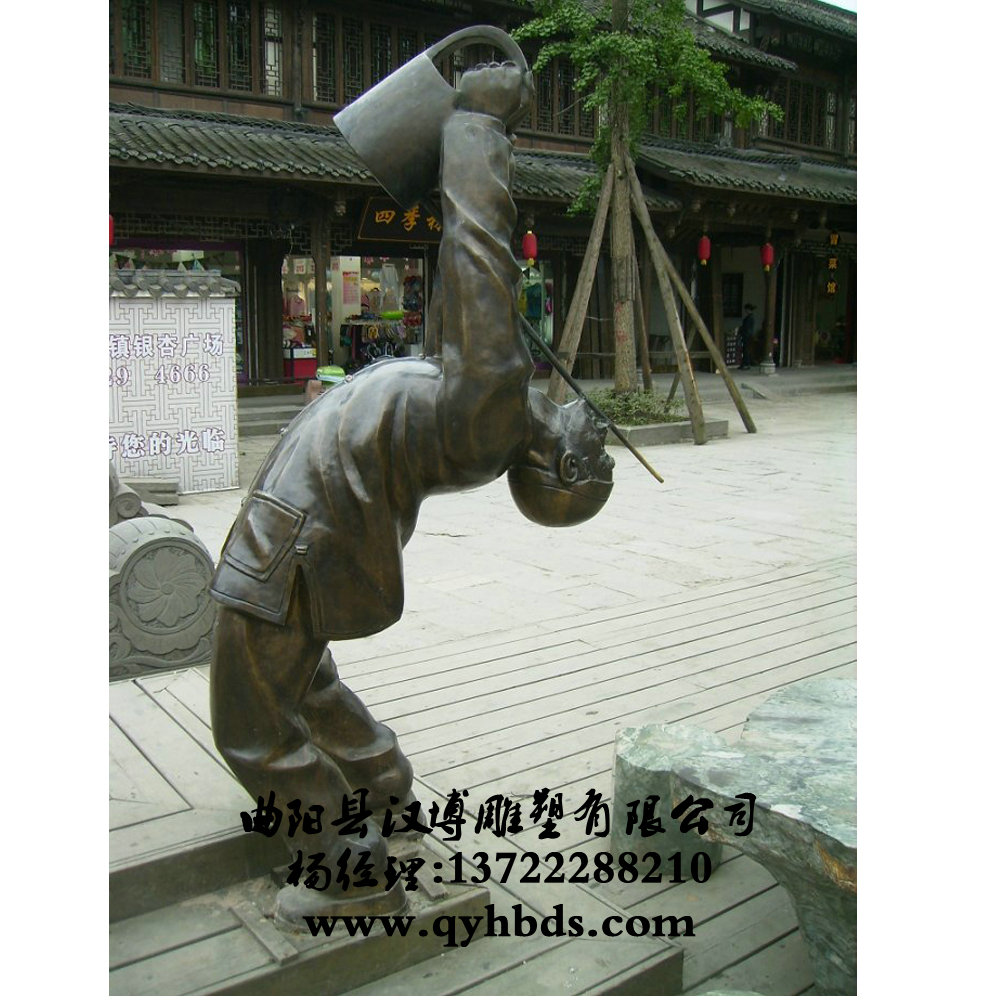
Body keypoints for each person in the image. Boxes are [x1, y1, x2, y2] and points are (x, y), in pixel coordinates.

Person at [209, 61, 614, 929]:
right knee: (303, 685)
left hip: (300, 535)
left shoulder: (491, 413)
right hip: (307, 524)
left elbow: (479, 255)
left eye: (597, 453)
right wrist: (460, 142)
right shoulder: (490, 403)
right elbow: (469, 280)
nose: (598, 428)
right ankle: (385, 796)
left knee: (251, 723)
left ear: (562, 468)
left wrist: (477, 126)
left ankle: (343, 864)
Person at [737, 303, 756, 369]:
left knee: (746, 350)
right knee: (746, 349)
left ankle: (746, 364)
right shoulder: (751, 317)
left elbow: (746, 327)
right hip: (748, 335)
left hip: (747, 335)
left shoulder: (750, 318)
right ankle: (745, 363)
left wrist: (740, 330)